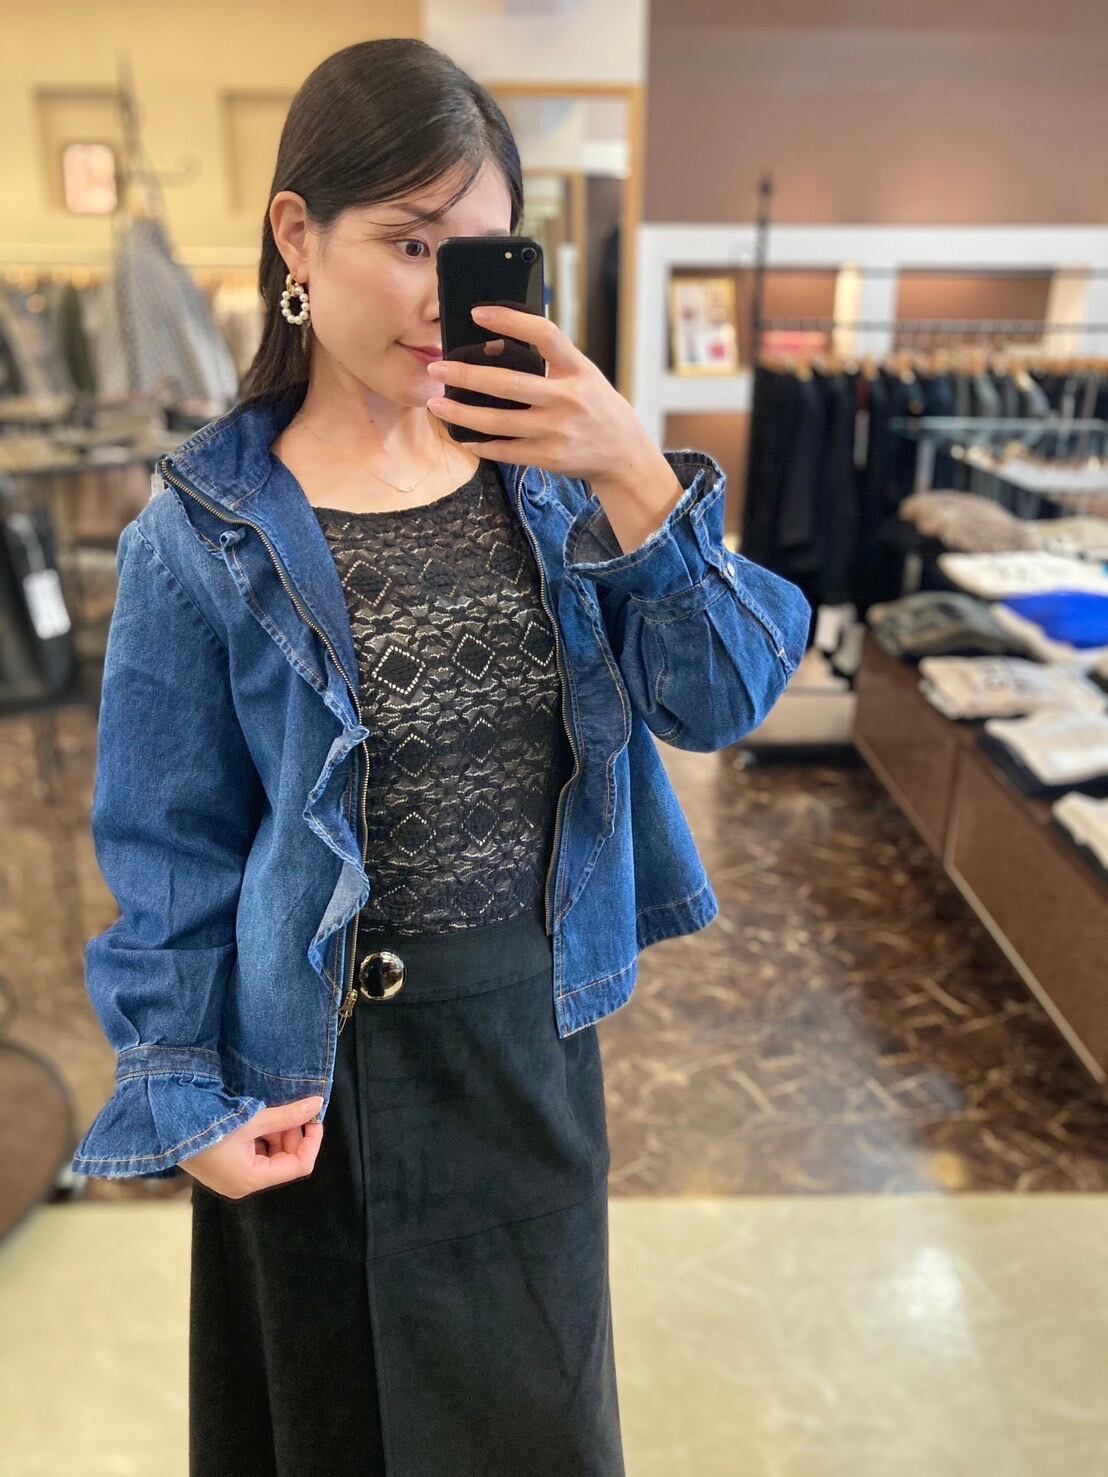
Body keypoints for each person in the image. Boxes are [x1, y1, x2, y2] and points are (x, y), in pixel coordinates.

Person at [71, 36, 812, 1477]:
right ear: (299, 235)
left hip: (526, 1053)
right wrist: (181, 1092)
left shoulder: (555, 489)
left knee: (540, 1431)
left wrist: (632, 467)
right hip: (307, 1078)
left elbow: (724, 699)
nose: (438, 295)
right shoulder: (202, 535)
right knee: (332, 1434)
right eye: (408, 242)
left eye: (472, 253)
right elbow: (167, 846)